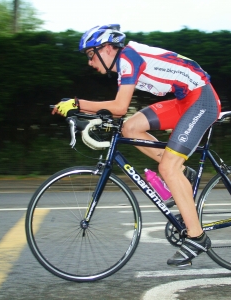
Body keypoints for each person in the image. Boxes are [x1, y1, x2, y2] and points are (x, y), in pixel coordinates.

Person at [52, 24, 221, 267]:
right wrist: (85, 114)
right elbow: (120, 115)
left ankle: (197, 237)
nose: (90, 63)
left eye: (91, 55)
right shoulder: (125, 62)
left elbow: (119, 107)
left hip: (202, 99)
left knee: (168, 169)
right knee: (130, 128)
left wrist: (77, 104)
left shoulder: (128, 58)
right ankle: (185, 174)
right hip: (185, 99)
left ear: (107, 48)